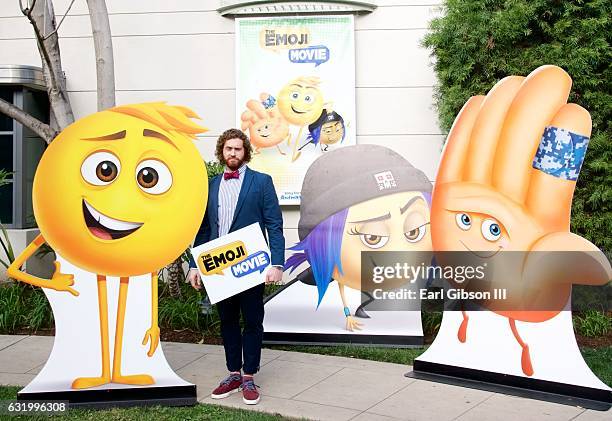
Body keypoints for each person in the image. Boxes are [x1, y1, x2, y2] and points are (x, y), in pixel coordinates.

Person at [188, 128, 284, 405]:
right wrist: (195, 265)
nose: (233, 153)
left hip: (250, 266)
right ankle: (233, 373)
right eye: (228, 148)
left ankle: (249, 376)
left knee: (252, 321)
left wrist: (277, 263)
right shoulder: (211, 185)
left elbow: (274, 225)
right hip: (219, 268)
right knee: (227, 321)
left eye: (238, 149)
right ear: (222, 151)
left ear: (245, 152)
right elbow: (204, 228)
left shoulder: (262, 182)